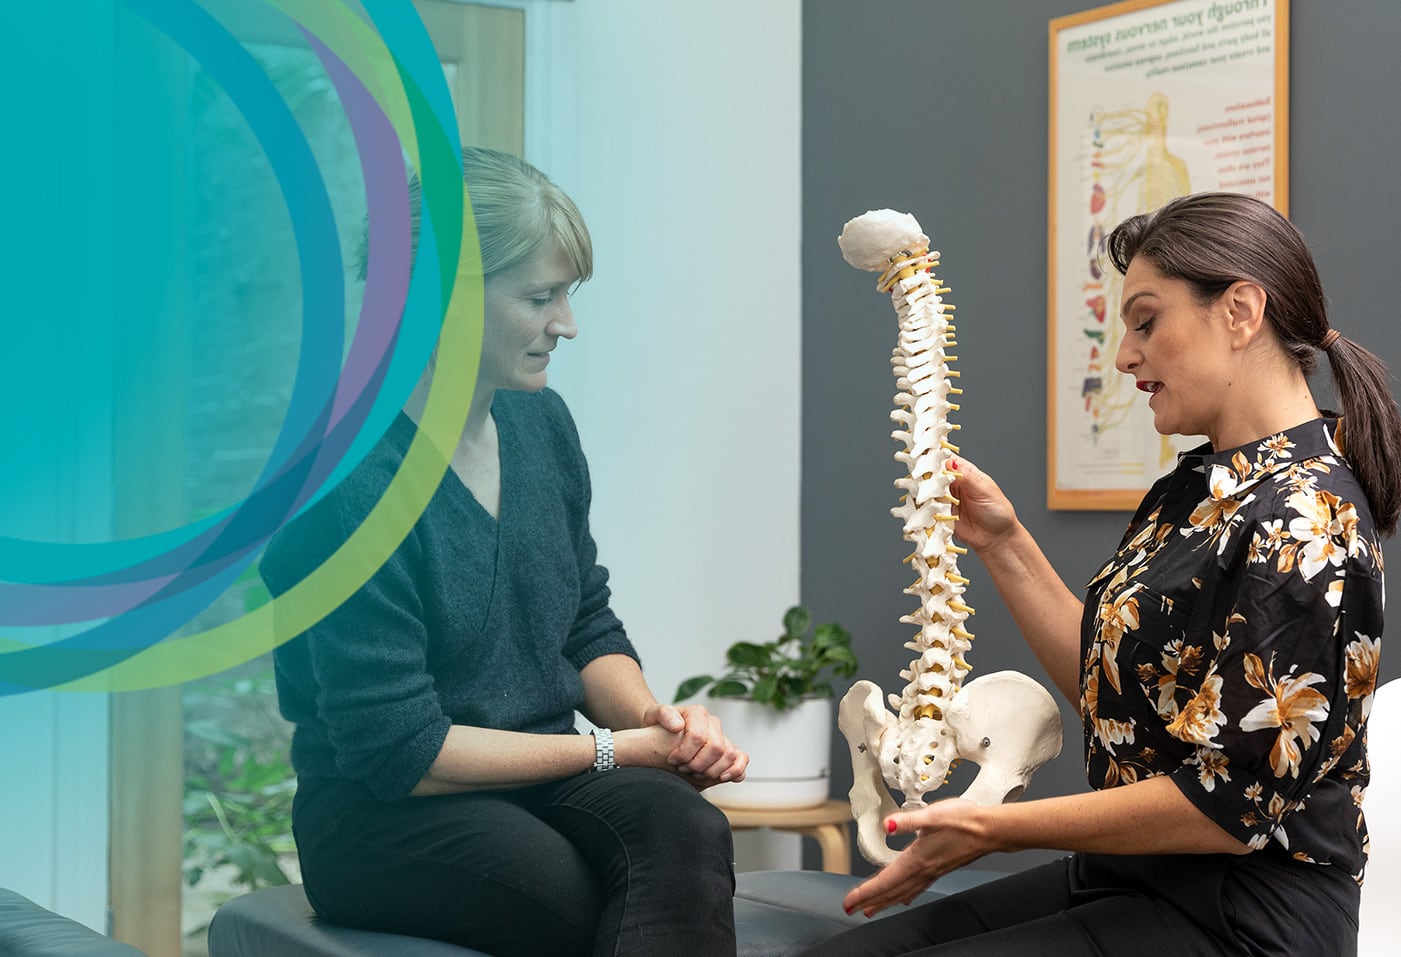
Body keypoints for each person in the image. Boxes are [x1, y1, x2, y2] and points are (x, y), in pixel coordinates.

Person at [804, 192, 1397, 957]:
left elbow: (1226, 805)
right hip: (1131, 876)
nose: (1123, 355)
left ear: (1240, 311)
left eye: (1145, 321)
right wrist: (1003, 540)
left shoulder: (1309, 521)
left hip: (1241, 915)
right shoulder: (1190, 490)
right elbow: (1106, 697)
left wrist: (991, 828)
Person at [260, 147, 748, 957]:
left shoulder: (540, 425)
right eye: (539, 296)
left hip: (540, 775)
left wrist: (659, 723)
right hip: (385, 813)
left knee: (685, 824)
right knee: (562, 891)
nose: (566, 323)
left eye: (567, 294)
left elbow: (583, 621)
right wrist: (619, 749)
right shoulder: (349, 487)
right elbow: (403, 752)